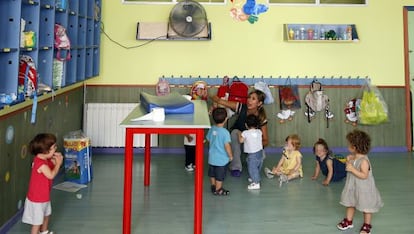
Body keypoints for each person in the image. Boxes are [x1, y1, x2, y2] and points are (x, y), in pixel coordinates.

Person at [211, 89, 268, 177]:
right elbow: (218, 100)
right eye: (249, 98)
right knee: (234, 132)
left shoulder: (261, 117)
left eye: (253, 99)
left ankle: (253, 165)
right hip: (239, 138)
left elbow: (265, 140)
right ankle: (235, 167)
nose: (249, 100)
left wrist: (254, 143)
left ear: (259, 103)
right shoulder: (241, 107)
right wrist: (206, 94)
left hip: (251, 144)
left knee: (262, 156)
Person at [337, 129, 383, 234]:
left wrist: (352, 169)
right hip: (353, 187)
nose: (347, 145)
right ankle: (348, 221)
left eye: (349, 144)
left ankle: (367, 225)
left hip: (364, 189)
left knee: (366, 207)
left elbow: (364, 175)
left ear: (355, 147)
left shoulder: (364, 161)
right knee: (350, 203)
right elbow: (352, 163)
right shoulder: (355, 157)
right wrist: (349, 160)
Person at [22, 133, 63, 234]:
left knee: (46, 214)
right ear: (45, 151)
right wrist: (58, 164)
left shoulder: (44, 159)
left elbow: (51, 164)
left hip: (43, 196)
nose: (56, 148)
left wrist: (55, 160)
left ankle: (44, 231)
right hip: (37, 199)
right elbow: (51, 175)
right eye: (53, 147)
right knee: (37, 222)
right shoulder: (40, 164)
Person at [206, 107, 233, 195]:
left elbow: (208, 140)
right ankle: (218, 189)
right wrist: (230, 156)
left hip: (212, 158)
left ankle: (213, 186)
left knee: (212, 173)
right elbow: (227, 146)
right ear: (225, 119)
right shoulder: (225, 132)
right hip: (221, 160)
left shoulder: (212, 129)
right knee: (220, 176)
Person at [238, 114, 263, 190]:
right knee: (257, 166)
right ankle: (254, 177)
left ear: (246, 125)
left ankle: (256, 183)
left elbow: (240, 141)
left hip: (252, 154)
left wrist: (239, 134)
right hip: (260, 152)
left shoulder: (245, 133)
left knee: (252, 168)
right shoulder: (259, 131)